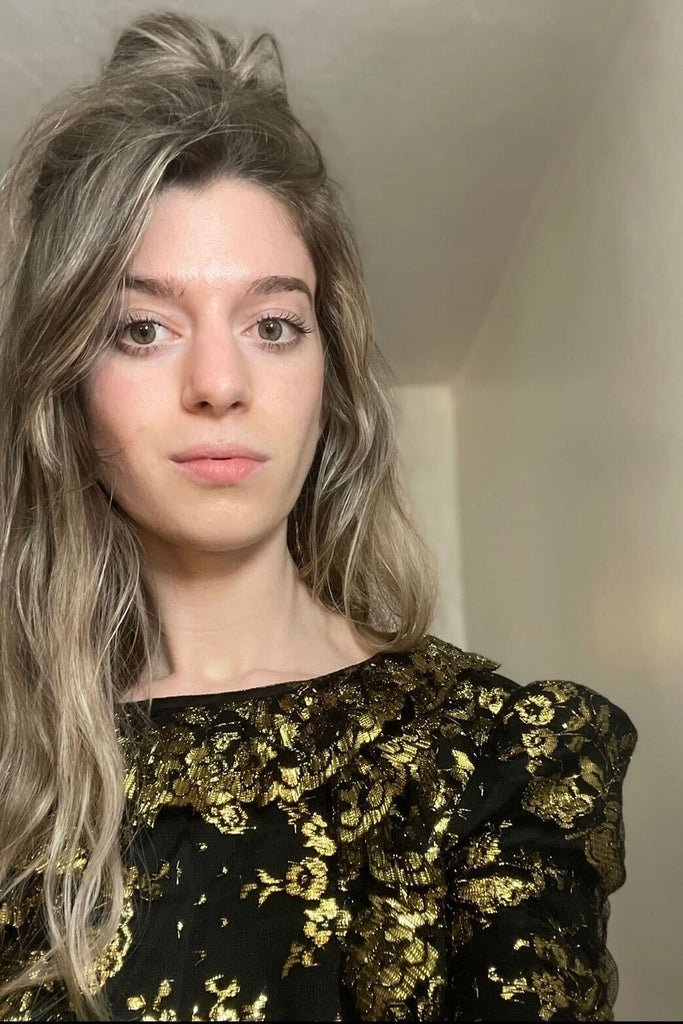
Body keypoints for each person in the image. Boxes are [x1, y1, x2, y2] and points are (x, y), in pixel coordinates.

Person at [0, 11, 637, 1022]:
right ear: (67, 388)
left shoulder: (493, 764)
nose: (219, 383)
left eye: (272, 323)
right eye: (143, 328)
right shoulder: (17, 767)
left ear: (328, 379)